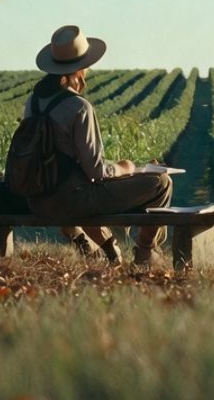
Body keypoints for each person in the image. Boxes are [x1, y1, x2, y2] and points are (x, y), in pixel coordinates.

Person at [25, 25, 173, 266]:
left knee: (81, 189)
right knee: (162, 183)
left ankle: (101, 245)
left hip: (36, 199)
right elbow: (95, 171)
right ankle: (146, 251)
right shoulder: (79, 107)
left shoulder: (33, 102)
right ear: (81, 69)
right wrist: (126, 168)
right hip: (69, 201)